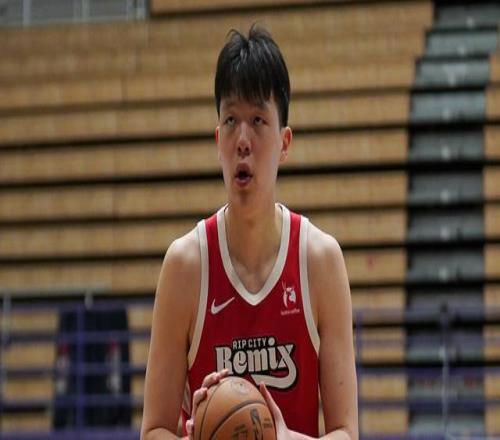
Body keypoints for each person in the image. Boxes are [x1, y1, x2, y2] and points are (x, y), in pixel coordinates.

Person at [141, 25, 358, 440]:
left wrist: (282, 439)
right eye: (231, 120)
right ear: (217, 139)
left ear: (284, 142)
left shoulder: (320, 261)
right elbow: (153, 430)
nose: (242, 140)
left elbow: (347, 432)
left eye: (258, 120)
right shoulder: (185, 266)